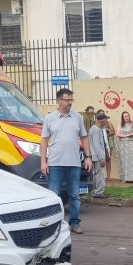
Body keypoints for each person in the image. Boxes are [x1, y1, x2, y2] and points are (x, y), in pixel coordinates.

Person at [41, 88, 93, 234]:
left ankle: (75, 223)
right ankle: (54, 224)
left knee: (75, 195)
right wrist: (43, 162)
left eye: (71, 100)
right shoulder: (49, 118)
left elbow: (84, 137)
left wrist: (88, 157)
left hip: (74, 164)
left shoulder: (77, 117)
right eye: (67, 100)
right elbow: (44, 141)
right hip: (55, 163)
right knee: (54, 195)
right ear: (59, 101)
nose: (70, 103)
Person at [88, 113, 110, 198]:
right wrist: (101, 158)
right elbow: (98, 146)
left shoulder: (93, 129)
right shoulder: (97, 130)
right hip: (97, 156)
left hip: (94, 155)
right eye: (105, 119)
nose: (106, 121)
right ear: (102, 120)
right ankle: (98, 192)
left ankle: (95, 191)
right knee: (100, 175)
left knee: (95, 174)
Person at [116, 111, 133, 183]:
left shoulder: (132, 124)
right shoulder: (120, 125)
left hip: (130, 143)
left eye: (127, 116)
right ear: (122, 117)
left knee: (132, 160)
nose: (126, 117)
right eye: (124, 116)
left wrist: (130, 119)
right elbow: (117, 134)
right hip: (122, 144)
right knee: (124, 160)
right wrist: (127, 135)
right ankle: (125, 178)